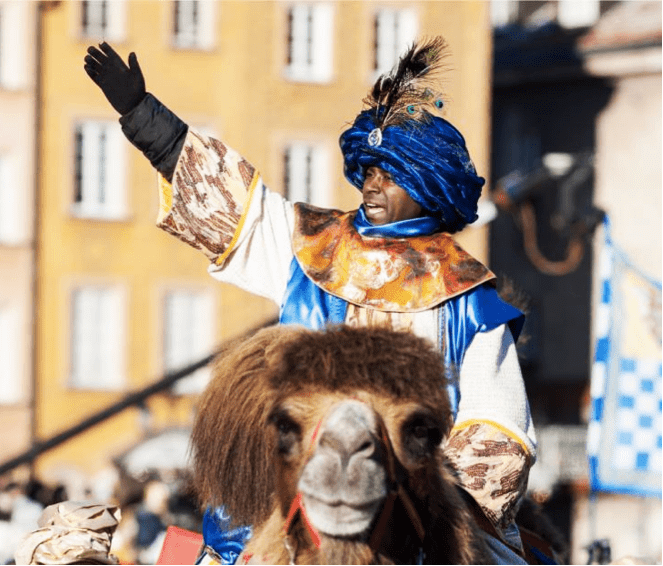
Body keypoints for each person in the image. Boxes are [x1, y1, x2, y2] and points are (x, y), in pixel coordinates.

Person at [84, 38, 536, 564]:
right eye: (368, 170)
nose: (371, 185)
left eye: (389, 175)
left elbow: (497, 425)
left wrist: (430, 498)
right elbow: (235, 209)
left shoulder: (467, 295)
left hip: (415, 502)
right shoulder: (314, 243)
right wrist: (143, 115)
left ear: (428, 186)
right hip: (290, 483)